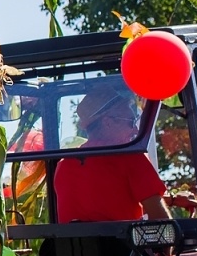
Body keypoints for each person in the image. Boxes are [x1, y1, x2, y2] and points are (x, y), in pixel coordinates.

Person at [54, 78, 169, 222]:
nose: (136, 130)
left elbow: (104, 203)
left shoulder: (64, 165)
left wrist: (172, 200)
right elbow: (162, 221)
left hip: (73, 245)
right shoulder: (130, 157)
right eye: (130, 122)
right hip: (122, 245)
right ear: (108, 122)